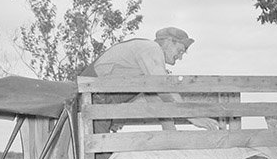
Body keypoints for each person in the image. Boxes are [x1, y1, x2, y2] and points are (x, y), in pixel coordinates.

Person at [83, 26, 218, 130]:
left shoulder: (147, 65)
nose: (180, 56)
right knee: (99, 158)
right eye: (180, 50)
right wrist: (193, 116)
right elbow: (164, 88)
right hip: (92, 97)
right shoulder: (151, 48)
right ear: (170, 41)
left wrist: (170, 131)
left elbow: (156, 99)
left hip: (97, 101)